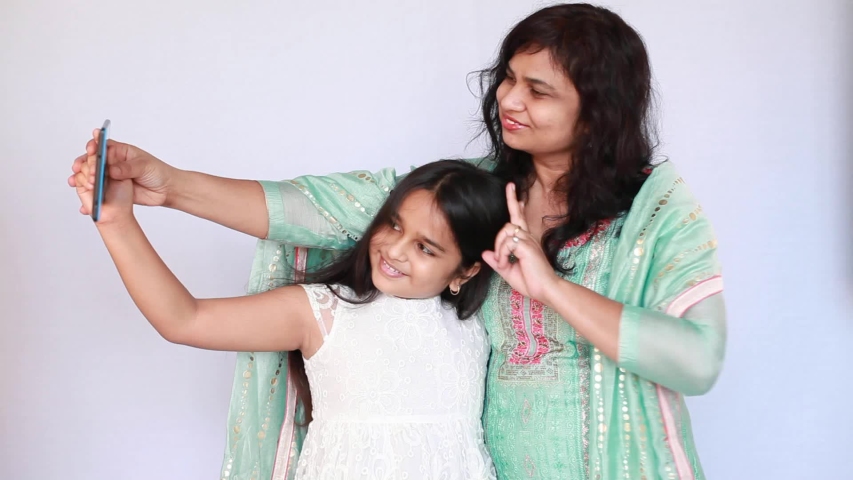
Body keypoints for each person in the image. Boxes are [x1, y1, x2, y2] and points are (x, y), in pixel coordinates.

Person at [70, 3, 726, 479]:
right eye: (507, 78)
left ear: (597, 108)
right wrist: (167, 184)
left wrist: (550, 288)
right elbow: (313, 209)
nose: (508, 99)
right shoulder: (470, 200)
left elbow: (696, 362)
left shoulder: (652, 212)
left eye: (537, 90)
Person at [73, 159, 510, 479]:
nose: (395, 250)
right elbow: (184, 319)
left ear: (467, 270)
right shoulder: (320, 310)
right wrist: (115, 220)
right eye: (393, 226)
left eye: (425, 247)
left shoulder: (477, 326)